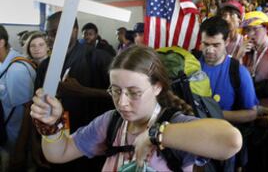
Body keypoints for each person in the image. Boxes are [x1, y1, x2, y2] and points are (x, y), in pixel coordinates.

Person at [30, 46, 242, 171]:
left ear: (157, 87)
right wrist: (52, 126)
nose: (122, 102)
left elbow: (231, 140)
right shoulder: (111, 123)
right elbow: (59, 153)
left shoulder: (175, 125)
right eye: (115, 91)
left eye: (134, 92)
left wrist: (156, 135)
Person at [34, 11, 114, 171]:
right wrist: (36, 143)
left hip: (93, 145)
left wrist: (83, 91)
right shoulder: (45, 66)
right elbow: (36, 108)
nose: (50, 39)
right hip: (55, 140)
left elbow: (121, 99)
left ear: (75, 30)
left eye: (56, 33)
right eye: (48, 34)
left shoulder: (99, 58)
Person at [199, 16, 258, 171]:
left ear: (226, 42)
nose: (210, 50)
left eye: (216, 45)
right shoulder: (191, 67)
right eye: (206, 44)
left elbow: (252, 114)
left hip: (226, 147)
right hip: (197, 144)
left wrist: (215, 114)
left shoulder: (238, 72)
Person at [0, 25, 36, 171]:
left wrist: (20, 149)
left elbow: (29, 109)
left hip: (17, 142)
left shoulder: (16, 70)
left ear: (1, 43)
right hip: (6, 138)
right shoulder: (4, 63)